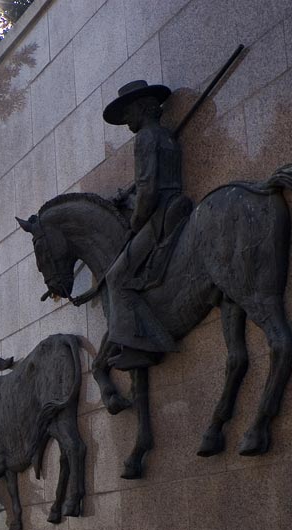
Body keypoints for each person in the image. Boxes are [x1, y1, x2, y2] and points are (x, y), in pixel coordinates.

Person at [102, 80, 192, 370]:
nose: (126, 120)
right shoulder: (165, 135)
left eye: (128, 113)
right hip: (176, 204)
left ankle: (140, 344)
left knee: (116, 278)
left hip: (158, 214)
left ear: (142, 109)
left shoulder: (144, 139)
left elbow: (149, 190)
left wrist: (135, 222)